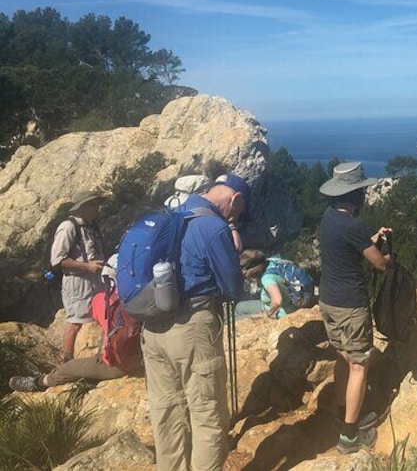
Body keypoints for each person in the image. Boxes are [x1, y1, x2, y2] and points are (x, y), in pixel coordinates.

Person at [142, 172, 250, 471]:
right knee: (209, 416)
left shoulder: (172, 213)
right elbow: (232, 287)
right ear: (234, 199)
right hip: (191, 328)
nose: (234, 217)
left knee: (167, 413)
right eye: (237, 211)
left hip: (152, 327)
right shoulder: (213, 227)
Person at [318, 162, 391, 454]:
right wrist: (388, 254)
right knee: (360, 365)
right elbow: (380, 264)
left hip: (328, 301)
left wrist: (371, 240)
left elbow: (348, 247)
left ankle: (343, 410)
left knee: (343, 357)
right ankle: (350, 436)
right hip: (351, 305)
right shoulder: (353, 225)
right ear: (356, 194)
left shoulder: (329, 218)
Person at [9, 255, 140, 392]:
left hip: (121, 365)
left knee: (68, 369)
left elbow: (101, 320)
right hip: (148, 358)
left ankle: (40, 382)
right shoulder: (150, 296)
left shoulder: (101, 300)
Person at [50, 191, 108, 362]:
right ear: (83, 207)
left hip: (95, 279)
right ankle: (67, 361)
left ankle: (99, 356)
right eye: (93, 204)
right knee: (75, 321)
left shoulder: (91, 226)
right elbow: (57, 260)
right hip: (78, 282)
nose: (97, 208)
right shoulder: (68, 227)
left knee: (100, 314)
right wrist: (87, 267)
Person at [234, 254, 315, 319]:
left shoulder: (267, 279)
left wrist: (266, 314)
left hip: (284, 311)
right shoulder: (272, 261)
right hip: (298, 298)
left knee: (238, 312)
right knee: (239, 307)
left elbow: (277, 301)